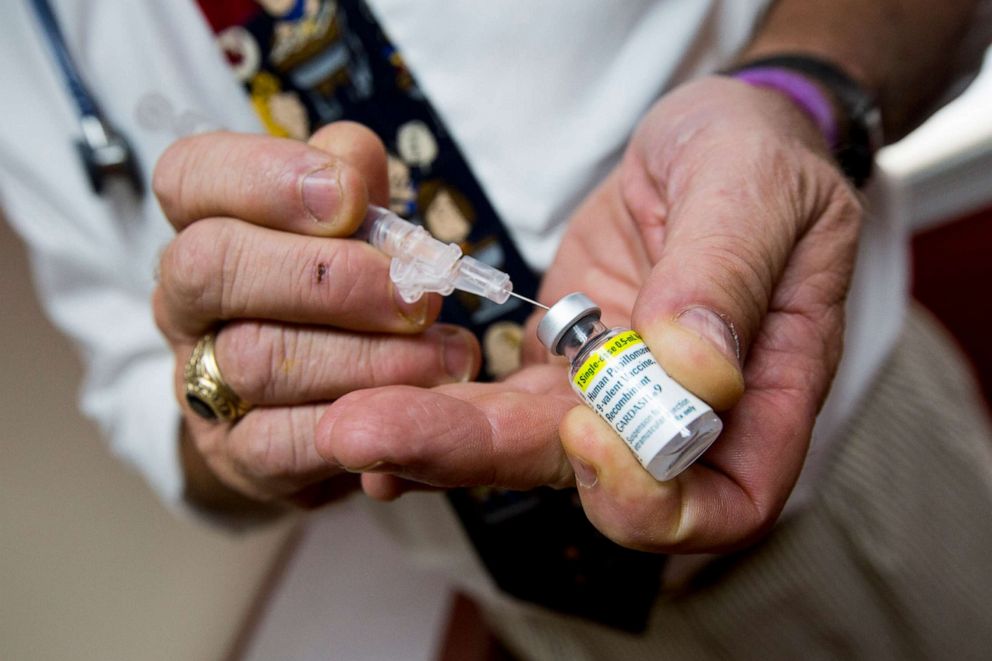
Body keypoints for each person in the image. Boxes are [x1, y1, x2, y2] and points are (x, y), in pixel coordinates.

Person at [3, 0, 992, 657]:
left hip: (858, 470)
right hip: (561, 621)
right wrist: (233, 412)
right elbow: (136, 379)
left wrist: (791, 99)